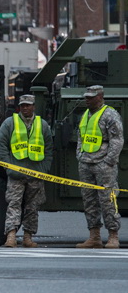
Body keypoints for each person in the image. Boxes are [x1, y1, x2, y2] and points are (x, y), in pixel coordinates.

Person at [0, 94, 53, 248]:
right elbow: (1, 146)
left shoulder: (42, 125)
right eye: (22, 105)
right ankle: (11, 236)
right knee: (14, 204)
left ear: (34, 106)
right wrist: (9, 167)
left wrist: (44, 169)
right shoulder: (10, 123)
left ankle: (28, 237)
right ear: (19, 107)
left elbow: (48, 149)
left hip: (36, 174)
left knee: (33, 207)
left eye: (28, 105)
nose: (25, 108)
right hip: (16, 174)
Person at [76, 85, 124, 249]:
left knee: (108, 201)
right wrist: (80, 156)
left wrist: (108, 162)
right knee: (89, 201)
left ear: (100, 96)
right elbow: (81, 138)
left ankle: (113, 235)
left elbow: (117, 140)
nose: (87, 99)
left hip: (103, 165)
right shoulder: (86, 115)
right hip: (86, 163)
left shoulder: (110, 114)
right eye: (86, 96)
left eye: (90, 97)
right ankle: (94, 236)